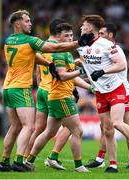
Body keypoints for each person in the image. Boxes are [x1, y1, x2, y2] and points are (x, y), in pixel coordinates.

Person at [0, 10, 94, 172]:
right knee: (28, 126)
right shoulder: (30, 40)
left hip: (8, 87)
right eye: (27, 21)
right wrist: (79, 43)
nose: (30, 23)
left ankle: (4, 162)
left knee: (15, 127)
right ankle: (19, 161)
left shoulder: (9, 40)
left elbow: (30, 57)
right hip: (22, 88)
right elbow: (55, 48)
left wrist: (47, 65)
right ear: (17, 24)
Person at [77, 15, 129, 173]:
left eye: (84, 25)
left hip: (119, 88)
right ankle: (111, 164)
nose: (81, 27)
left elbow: (121, 65)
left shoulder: (109, 46)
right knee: (107, 128)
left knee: (119, 123)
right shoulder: (82, 45)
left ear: (90, 28)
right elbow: (86, 67)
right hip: (101, 92)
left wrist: (102, 71)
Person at [24, 21, 94, 173]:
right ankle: (78, 166)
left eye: (71, 35)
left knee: (47, 132)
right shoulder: (60, 52)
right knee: (77, 130)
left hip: (51, 92)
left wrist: (88, 85)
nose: (70, 38)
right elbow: (62, 76)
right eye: (66, 36)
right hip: (60, 96)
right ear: (57, 36)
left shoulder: (60, 51)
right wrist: (81, 71)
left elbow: (65, 75)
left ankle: (28, 160)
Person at [84, 23, 129, 169]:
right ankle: (101, 158)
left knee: (124, 126)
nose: (99, 36)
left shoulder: (115, 49)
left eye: (101, 33)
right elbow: (97, 72)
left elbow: (114, 70)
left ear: (110, 35)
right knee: (105, 127)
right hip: (108, 90)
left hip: (123, 91)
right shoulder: (101, 49)